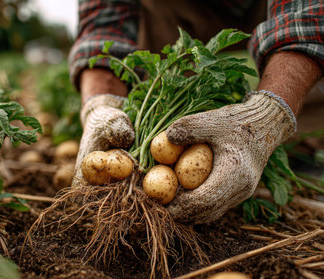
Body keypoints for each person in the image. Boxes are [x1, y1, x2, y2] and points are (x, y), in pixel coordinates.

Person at [67, 0, 323, 223]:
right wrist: (100, 104)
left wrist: (270, 115)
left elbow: (308, 15)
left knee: (301, 139)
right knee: (175, 121)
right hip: (176, 8)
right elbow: (103, 19)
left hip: (273, 7)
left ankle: (301, 153)